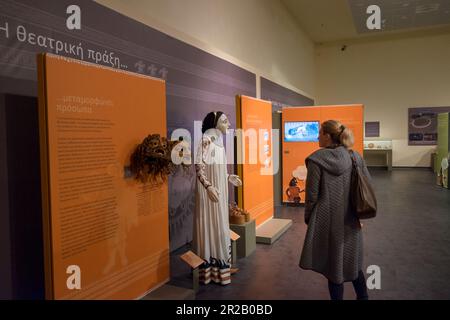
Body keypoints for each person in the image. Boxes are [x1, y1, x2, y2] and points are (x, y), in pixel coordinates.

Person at [299, 120, 371, 300]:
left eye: (320, 132)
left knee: (334, 268)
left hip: (326, 221)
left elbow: (312, 196)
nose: (317, 136)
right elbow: (367, 184)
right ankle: (363, 297)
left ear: (328, 136)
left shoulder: (317, 160)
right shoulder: (355, 157)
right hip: (352, 219)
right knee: (353, 264)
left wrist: (310, 219)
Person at [193, 111, 242, 285]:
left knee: (220, 226)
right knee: (211, 225)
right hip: (210, 195)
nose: (228, 124)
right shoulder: (206, 140)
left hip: (219, 193)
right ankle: (212, 271)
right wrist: (208, 186)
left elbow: (217, 168)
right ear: (215, 124)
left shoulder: (219, 143)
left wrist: (228, 177)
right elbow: (198, 166)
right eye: (224, 121)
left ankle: (223, 268)